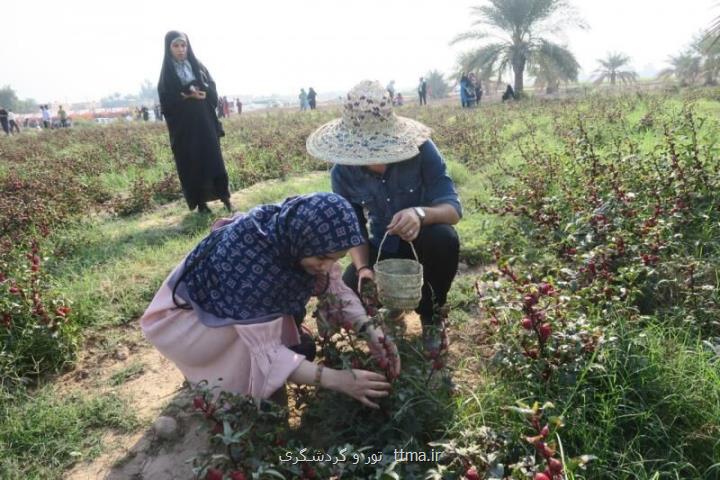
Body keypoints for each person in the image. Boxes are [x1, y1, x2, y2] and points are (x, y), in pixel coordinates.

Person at [140, 192, 400, 406]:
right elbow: (269, 354)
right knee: (262, 379)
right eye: (322, 258)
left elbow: (335, 288)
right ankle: (226, 379)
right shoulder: (251, 270)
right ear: (305, 241)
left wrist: (369, 329)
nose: (327, 266)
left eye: (335, 258)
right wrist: (338, 379)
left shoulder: (293, 230)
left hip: (231, 303)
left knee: (297, 339)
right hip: (185, 328)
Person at [306, 80, 462, 354]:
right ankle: (392, 308)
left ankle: (432, 318)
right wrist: (365, 268)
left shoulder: (422, 150)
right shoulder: (343, 172)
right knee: (350, 292)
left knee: (444, 238)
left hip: (424, 241)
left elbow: (452, 209)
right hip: (382, 245)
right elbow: (354, 229)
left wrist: (420, 214)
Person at [157, 31, 232, 214]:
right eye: (176, 46)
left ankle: (225, 198)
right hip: (185, 129)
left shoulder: (198, 67)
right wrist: (185, 96)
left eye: (183, 45)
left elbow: (212, 91)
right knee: (192, 164)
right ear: (169, 49)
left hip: (204, 123)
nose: (181, 50)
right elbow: (166, 103)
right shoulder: (167, 75)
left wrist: (204, 92)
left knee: (213, 159)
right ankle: (201, 204)